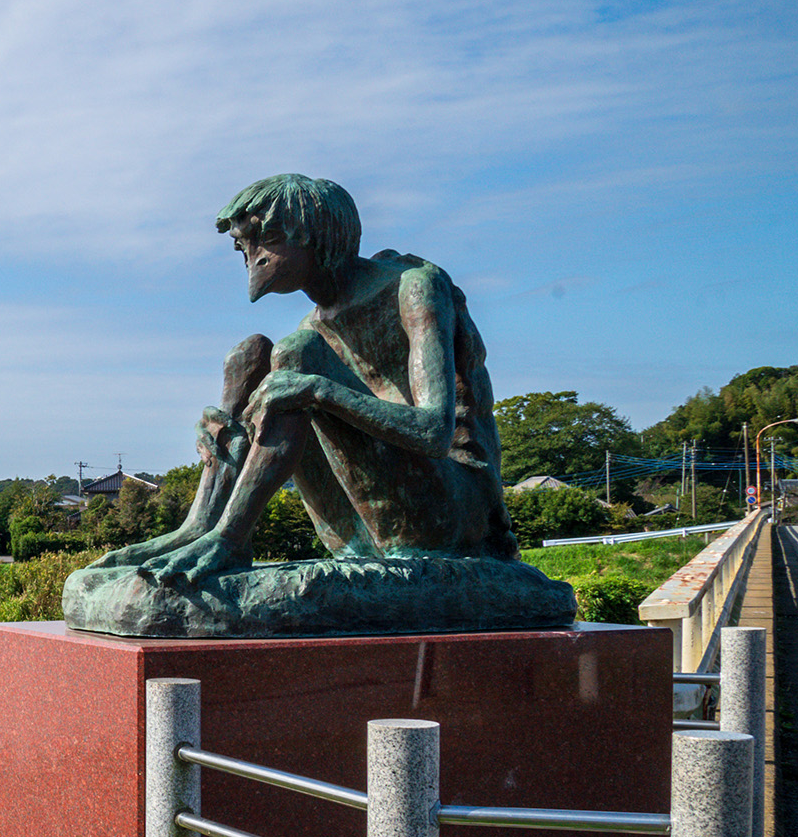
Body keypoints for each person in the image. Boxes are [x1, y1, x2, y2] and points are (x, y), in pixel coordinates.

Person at [98, 175, 518, 583]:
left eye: (265, 239)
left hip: (449, 512)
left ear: (315, 233)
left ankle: (230, 537)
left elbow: (433, 432)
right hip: (361, 529)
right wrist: (229, 433)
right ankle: (203, 525)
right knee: (251, 355)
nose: (253, 257)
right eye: (242, 247)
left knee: (296, 354)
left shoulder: (411, 288)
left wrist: (317, 388)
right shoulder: (313, 328)